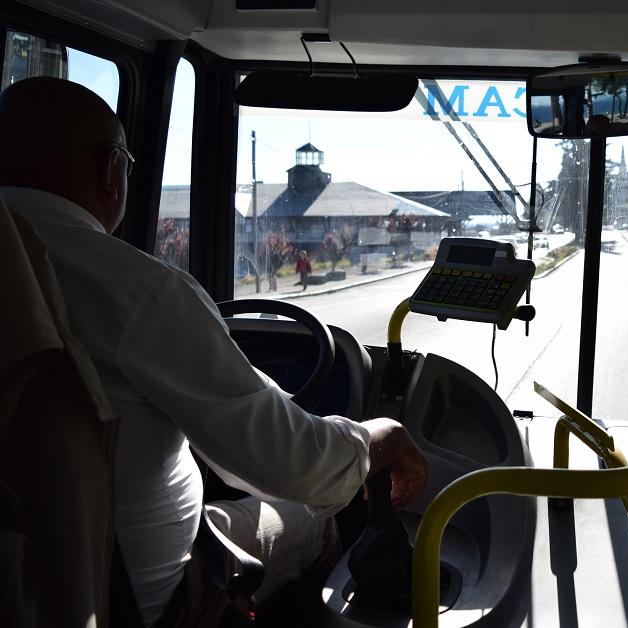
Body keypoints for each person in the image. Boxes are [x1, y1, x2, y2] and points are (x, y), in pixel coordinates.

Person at [0, 77, 428, 626]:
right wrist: (375, 439)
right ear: (112, 170)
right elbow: (289, 462)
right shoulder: (136, 290)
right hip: (135, 600)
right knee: (309, 515)